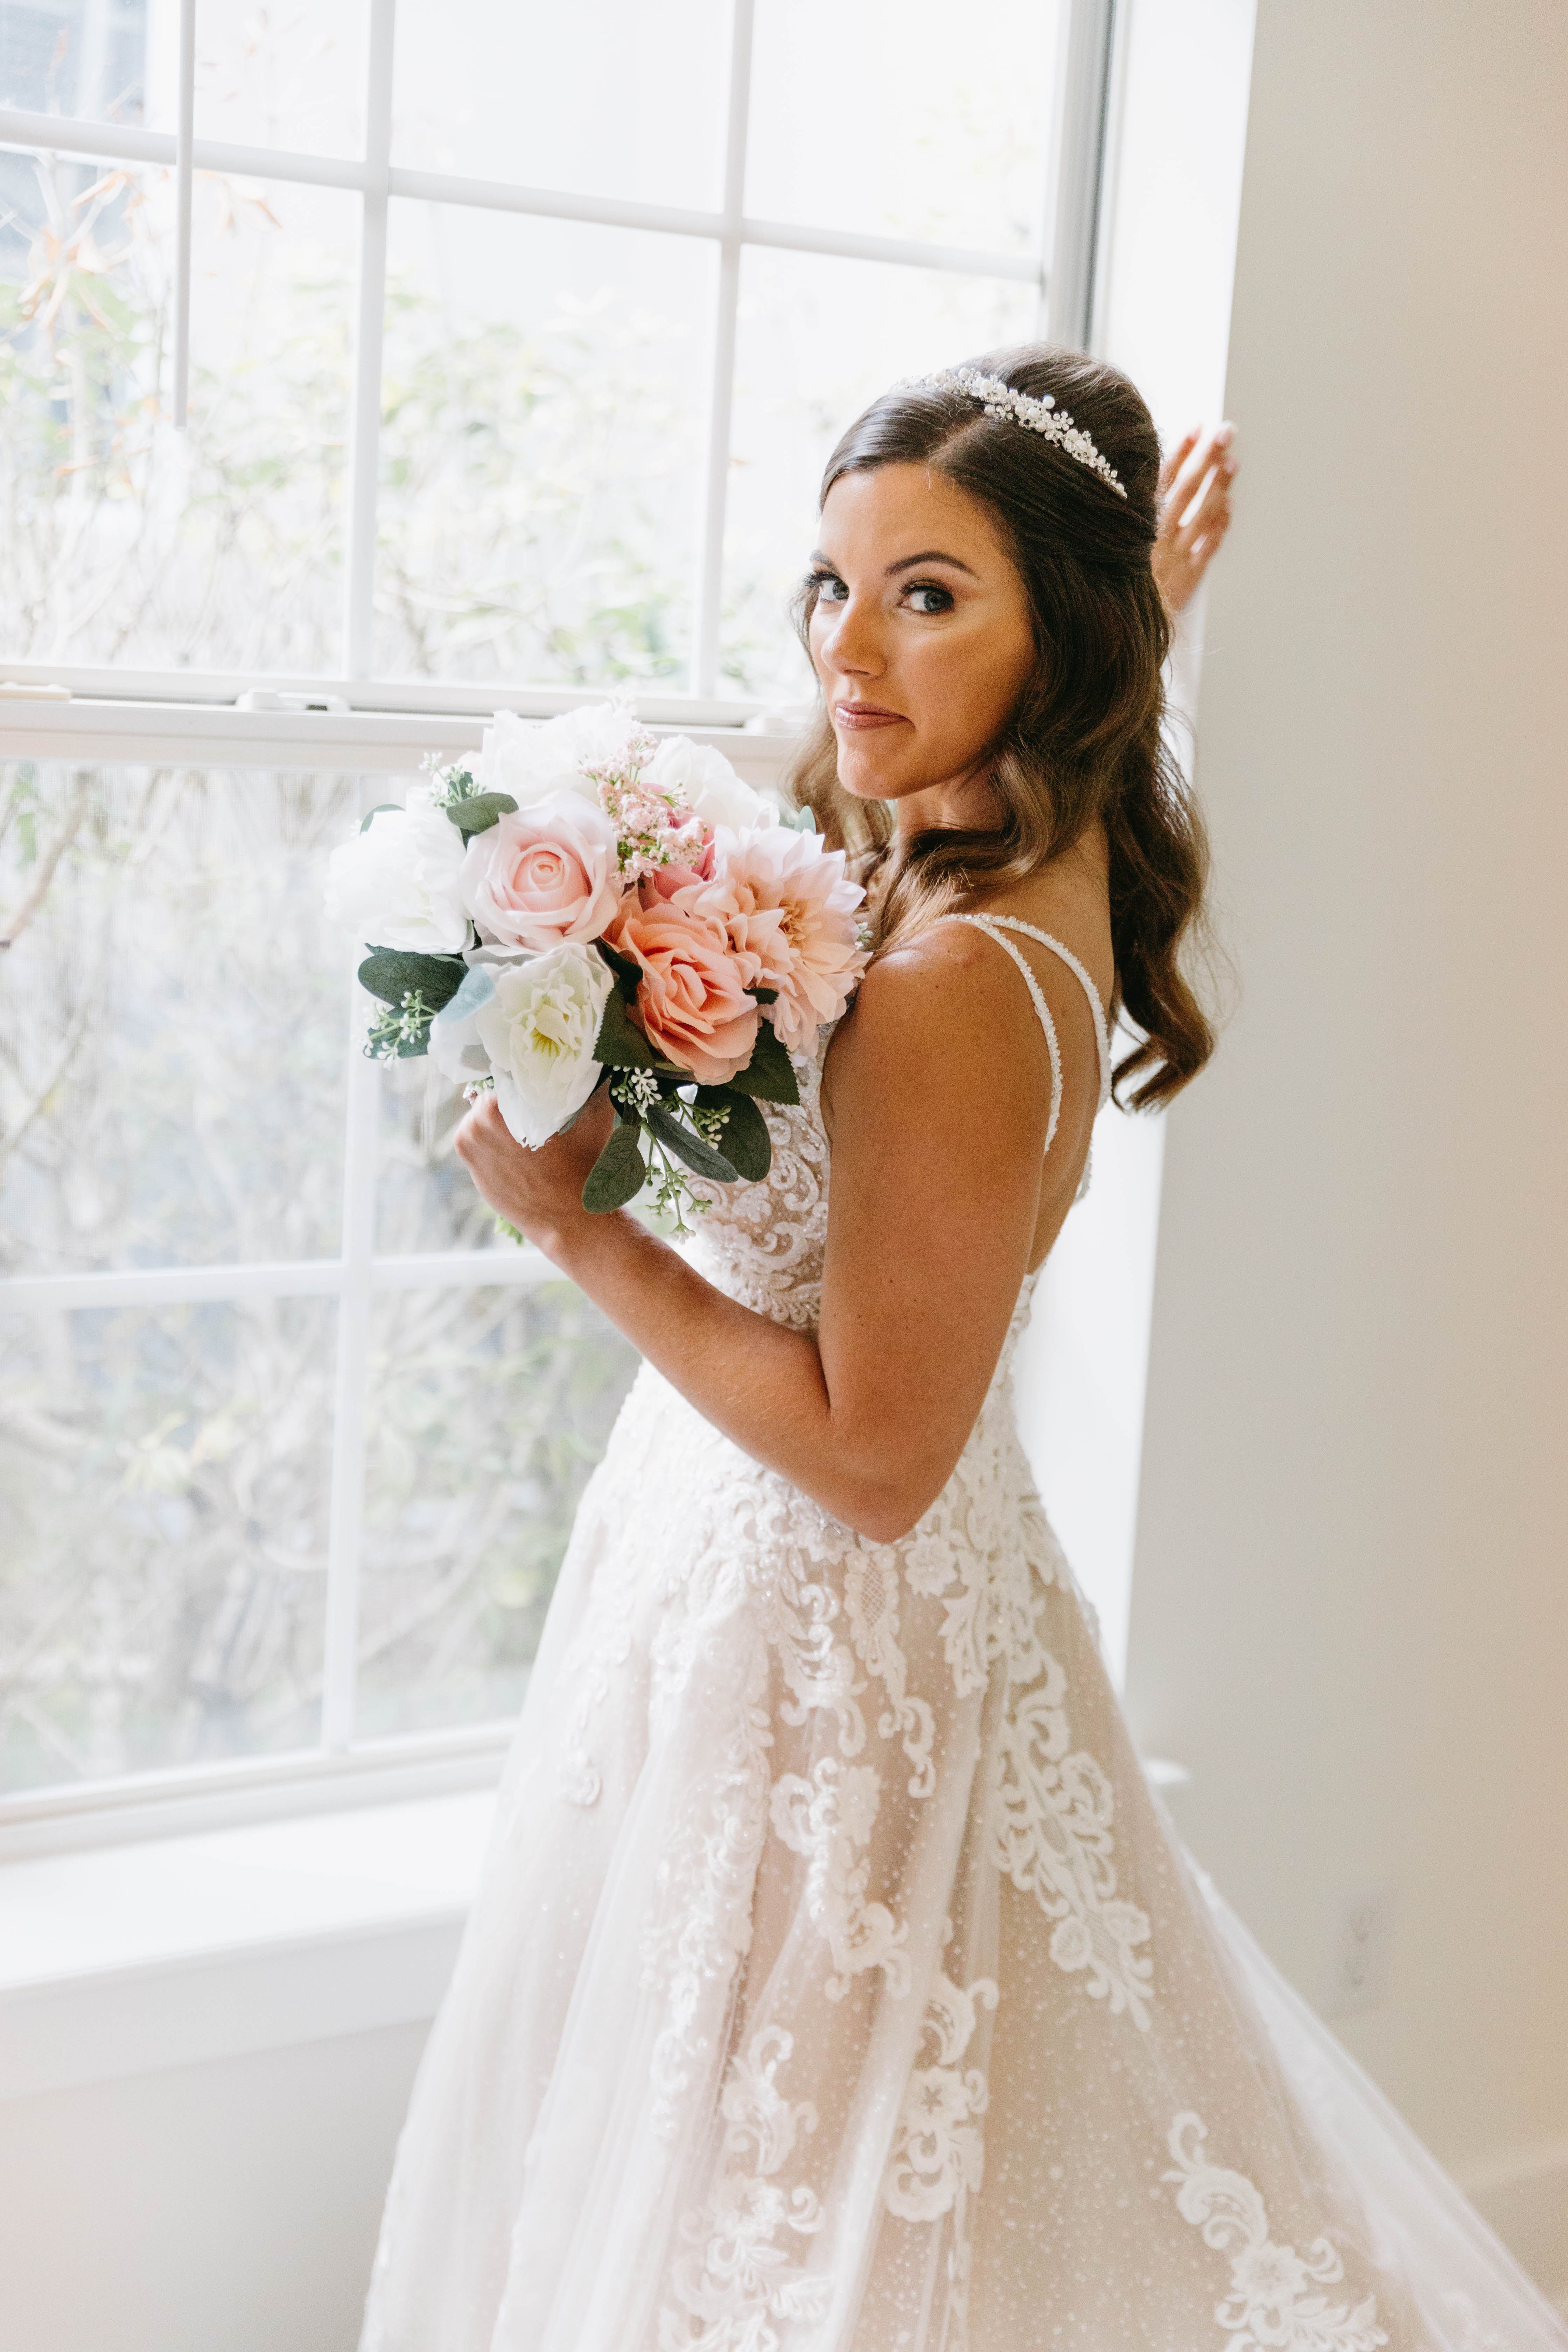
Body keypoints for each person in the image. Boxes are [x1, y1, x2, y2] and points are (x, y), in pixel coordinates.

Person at [359, 351, 1564, 2351]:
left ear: (1055, 636)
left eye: (932, 594)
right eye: (833, 586)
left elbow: (872, 1456)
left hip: (828, 1636)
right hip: (806, 1600)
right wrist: (1138, 617)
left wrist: (584, 1232)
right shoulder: (1013, 847)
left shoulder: (940, 981)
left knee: (793, 2210)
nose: (851, 648)